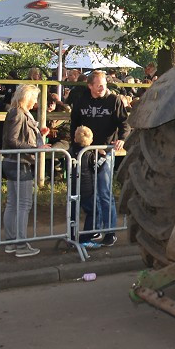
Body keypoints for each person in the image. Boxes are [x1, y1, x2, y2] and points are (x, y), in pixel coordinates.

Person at [69, 70, 130, 246]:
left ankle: (110, 231)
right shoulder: (81, 100)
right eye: (99, 85)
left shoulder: (114, 100)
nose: (102, 88)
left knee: (104, 192)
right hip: (85, 152)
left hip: (105, 151)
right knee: (89, 194)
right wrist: (75, 146)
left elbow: (124, 123)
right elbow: (74, 123)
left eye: (104, 84)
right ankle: (93, 230)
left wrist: (122, 139)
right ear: (90, 86)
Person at [2, 84, 48, 257]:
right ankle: (20, 243)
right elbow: (12, 140)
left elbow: (16, 137)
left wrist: (38, 136)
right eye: (34, 97)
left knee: (14, 203)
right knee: (23, 204)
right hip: (19, 163)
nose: (36, 101)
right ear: (27, 97)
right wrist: (35, 148)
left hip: (15, 162)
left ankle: (11, 241)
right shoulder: (18, 113)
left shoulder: (17, 112)